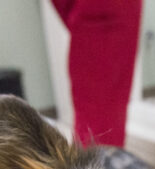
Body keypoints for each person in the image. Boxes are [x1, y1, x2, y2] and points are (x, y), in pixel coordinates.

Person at [51, 0, 142, 147]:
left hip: (106, 14)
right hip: (110, 13)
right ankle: (100, 158)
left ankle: (97, 156)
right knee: (102, 119)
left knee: (98, 114)